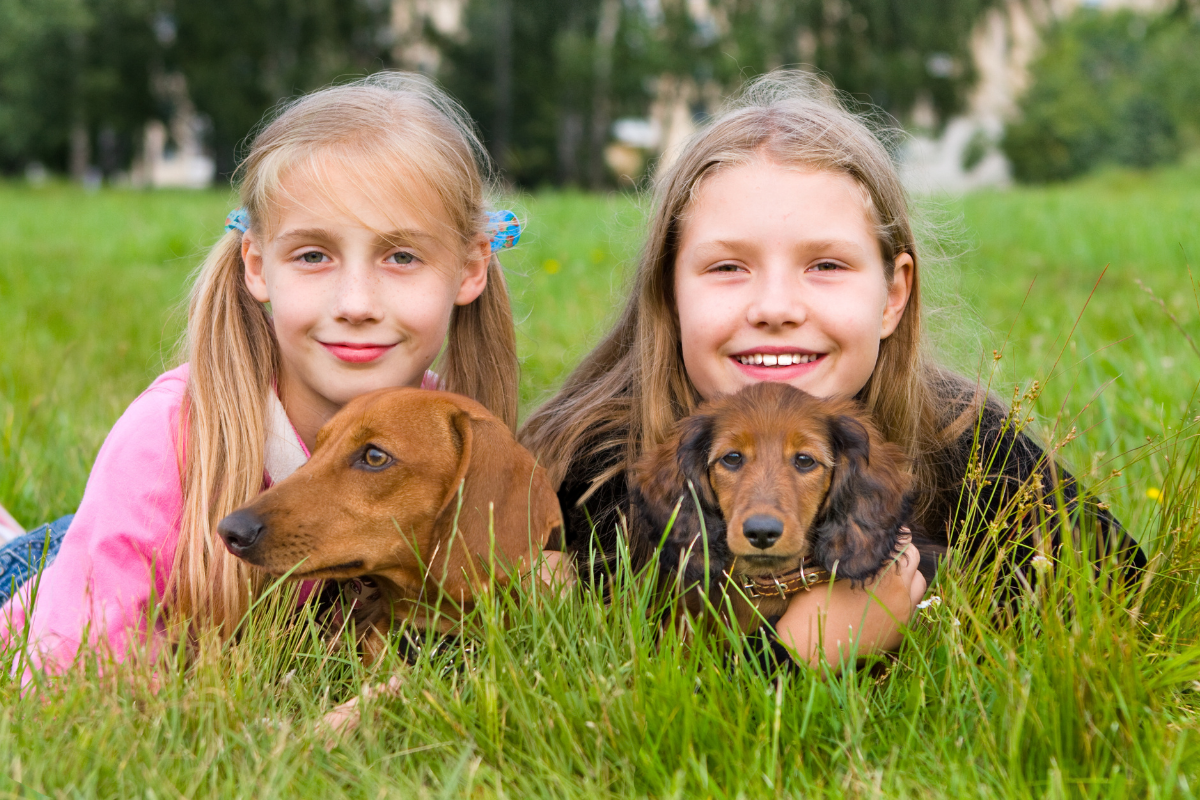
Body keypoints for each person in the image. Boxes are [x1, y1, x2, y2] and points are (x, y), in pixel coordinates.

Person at [519, 71, 1145, 670]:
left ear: (892, 297)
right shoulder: (599, 466)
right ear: (668, 295)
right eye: (727, 267)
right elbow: (653, 704)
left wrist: (934, 599)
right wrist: (809, 647)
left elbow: (1120, 584)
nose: (775, 309)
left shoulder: (959, 433)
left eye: (826, 265)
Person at [1, 72, 525, 672]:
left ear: (469, 269)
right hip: (43, 580)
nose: (356, 303)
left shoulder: (441, 440)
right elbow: (62, 673)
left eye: (401, 256)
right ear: (257, 265)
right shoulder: (168, 436)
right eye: (313, 256)